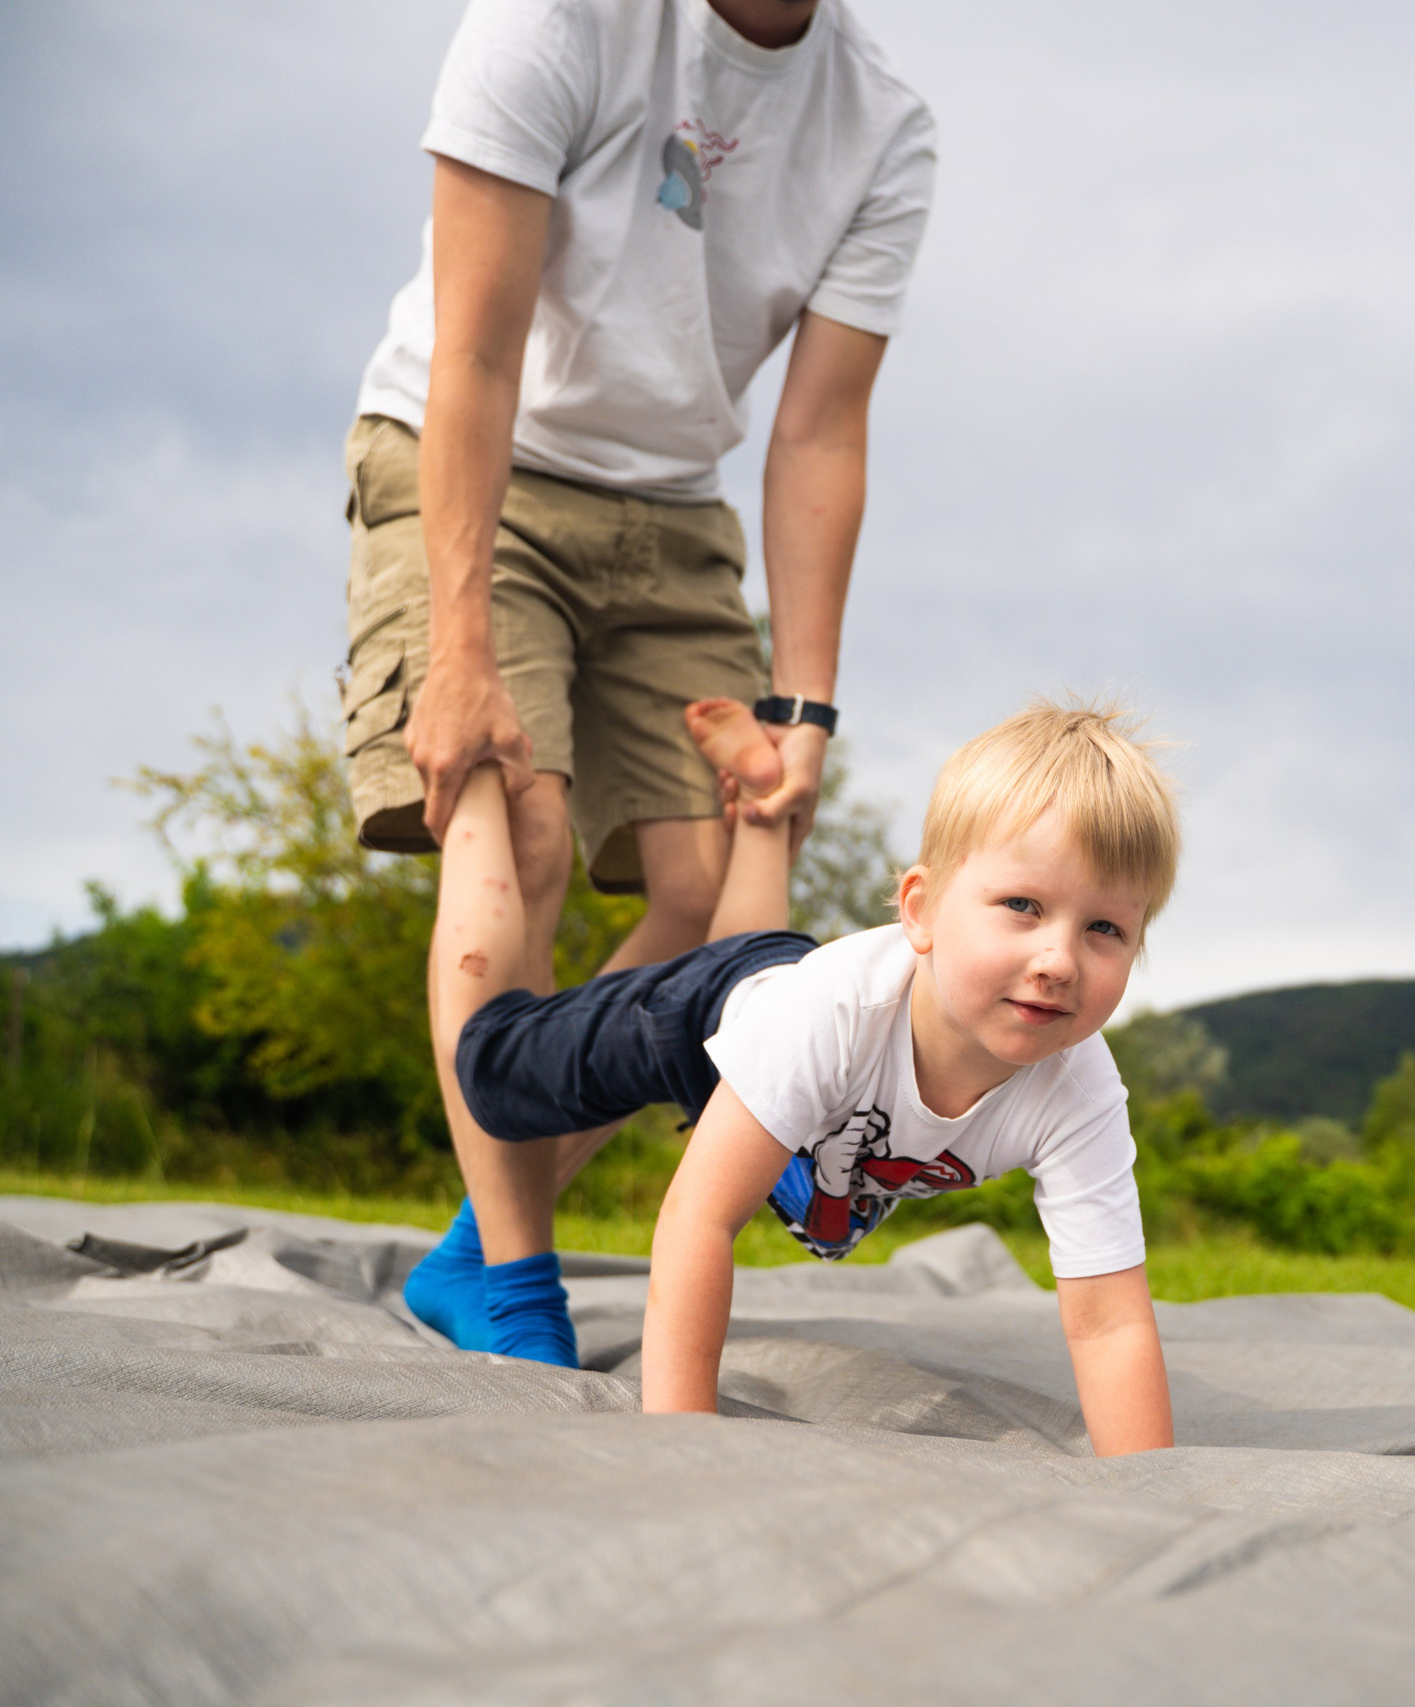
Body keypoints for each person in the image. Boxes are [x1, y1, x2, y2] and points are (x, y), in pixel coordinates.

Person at [343, 0, 936, 1359]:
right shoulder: (557, 20)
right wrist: (463, 651)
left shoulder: (885, 125)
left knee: (713, 876)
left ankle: (473, 1240)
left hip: (669, 509)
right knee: (519, 824)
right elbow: (476, 351)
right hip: (474, 458)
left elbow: (821, 429)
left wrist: (803, 708)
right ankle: (514, 1283)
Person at [415, 698, 1178, 1457]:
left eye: (1104, 928)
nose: (1059, 960)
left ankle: (761, 801)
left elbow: (1110, 1319)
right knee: (490, 1071)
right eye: (1023, 905)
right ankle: (478, 791)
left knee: (764, 951)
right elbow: (699, 1219)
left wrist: (1150, 1488)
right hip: (700, 1014)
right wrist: (681, 1442)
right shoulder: (833, 1013)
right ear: (922, 910)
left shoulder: (1078, 1087)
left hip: (781, 981)